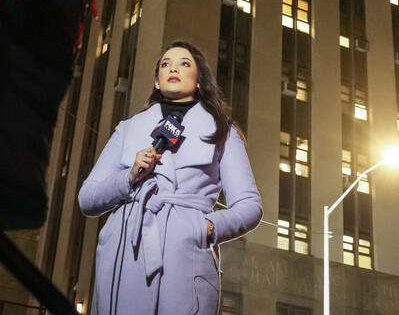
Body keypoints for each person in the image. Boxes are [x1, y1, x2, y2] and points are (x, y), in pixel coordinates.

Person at [79, 41, 262, 315]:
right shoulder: (129, 129)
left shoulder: (222, 130)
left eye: (184, 63)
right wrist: (128, 177)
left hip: (183, 256)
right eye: (165, 63)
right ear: (156, 79)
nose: (173, 67)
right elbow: (87, 198)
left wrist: (205, 228)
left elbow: (249, 206)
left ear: (200, 80)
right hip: (126, 248)